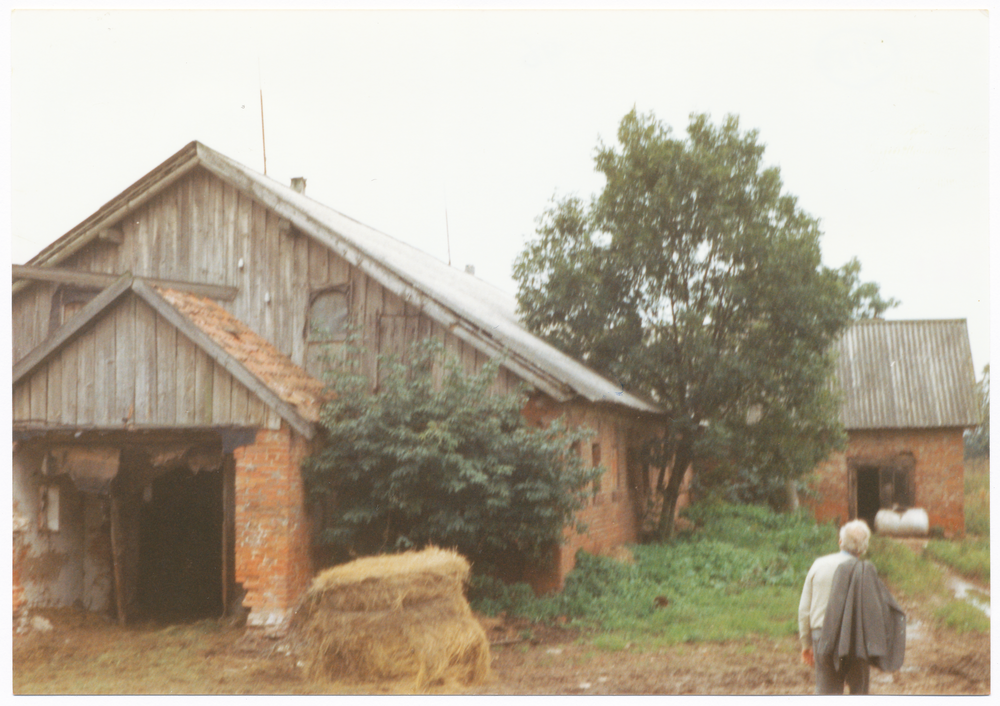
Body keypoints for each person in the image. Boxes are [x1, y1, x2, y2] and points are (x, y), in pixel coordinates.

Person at [798, 520, 878, 694]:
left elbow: (804, 609)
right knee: (859, 692)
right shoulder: (865, 571)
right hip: (856, 640)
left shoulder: (819, 564)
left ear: (840, 542)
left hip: (823, 637)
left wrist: (806, 643)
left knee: (827, 693)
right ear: (864, 548)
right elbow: (873, 615)